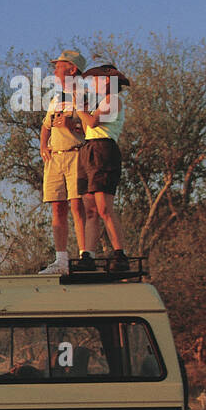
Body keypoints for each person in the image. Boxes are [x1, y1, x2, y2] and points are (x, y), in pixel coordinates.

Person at [38, 49, 95, 274]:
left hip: (76, 154)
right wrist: (43, 146)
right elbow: (46, 126)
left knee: (77, 206)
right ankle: (61, 260)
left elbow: (93, 126)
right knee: (57, 207)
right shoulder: (56, 98)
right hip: (55, 157)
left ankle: (85, 256)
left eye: (59, 66)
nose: (54, 70)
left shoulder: (85, 95)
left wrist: (72, 126)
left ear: (72, 69)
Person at [78, 62, 131, 271]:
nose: (94, 83)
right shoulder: (99, 102)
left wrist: (78, 107)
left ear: (108, 81)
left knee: (104, 207)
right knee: (89, 208)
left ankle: (120, 253)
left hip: (103, 149)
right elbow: (86, 127)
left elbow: (92, 123)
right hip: (89, 149)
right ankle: (88, 255)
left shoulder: (114, 100)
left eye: (97, 79)